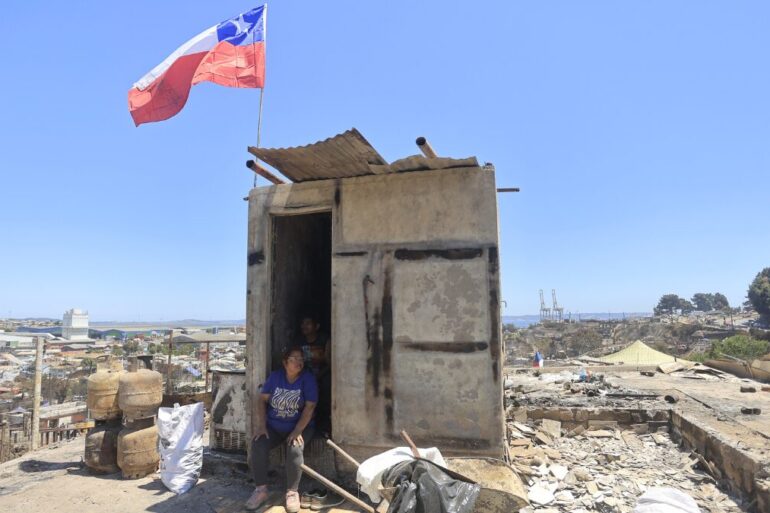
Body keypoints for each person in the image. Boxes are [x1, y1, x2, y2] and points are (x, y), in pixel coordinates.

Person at [246, 347, 317, 512]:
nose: (299, 362)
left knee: (294, 447)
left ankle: (292, 492)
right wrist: (262, 426)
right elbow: (261, 400)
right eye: (295, 358)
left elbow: (310, 407)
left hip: (300, 426)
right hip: (274, 426)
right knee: (258, 443)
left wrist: (297, 430)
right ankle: (261, 490)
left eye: (301, 359)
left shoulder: (308, 379)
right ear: (285, 362)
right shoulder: (276, 377)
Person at [297, 314, 332, 434]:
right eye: (302, 323)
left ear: (316, 326)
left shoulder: (325, 339)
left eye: (308, 323)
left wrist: (318, 376)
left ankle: (324, 426)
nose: (304, 326)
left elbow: (330, 363)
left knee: (326, 389)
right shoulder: (299, 341)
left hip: (322, 374)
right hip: (306, 375)